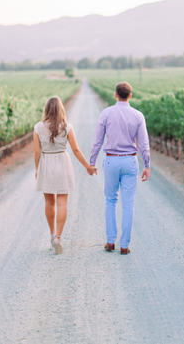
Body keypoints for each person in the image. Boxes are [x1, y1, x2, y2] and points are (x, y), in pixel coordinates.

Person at [90, 82, 150, 255]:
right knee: (128, 203)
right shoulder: (138, 116)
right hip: (130, 161)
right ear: (130, 96)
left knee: (110, 200)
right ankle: (124, 245)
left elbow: (97, 141)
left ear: (115, 95)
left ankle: (110, 242)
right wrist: (147, 164)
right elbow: (144, 144)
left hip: (111, 161)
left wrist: (92, 161)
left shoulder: (106, 114)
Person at [34, 96, 96, 254]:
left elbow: (37, 152)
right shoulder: (67, 127)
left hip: (46, 163)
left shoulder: (38, 127)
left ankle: (51, 234)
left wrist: (37, 169)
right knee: (62, 202)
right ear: (61, 109)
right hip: (62, 162)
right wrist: (87, 166)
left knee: (49, 202)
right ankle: (58, 237)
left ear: (46, 109)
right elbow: (75, 150)